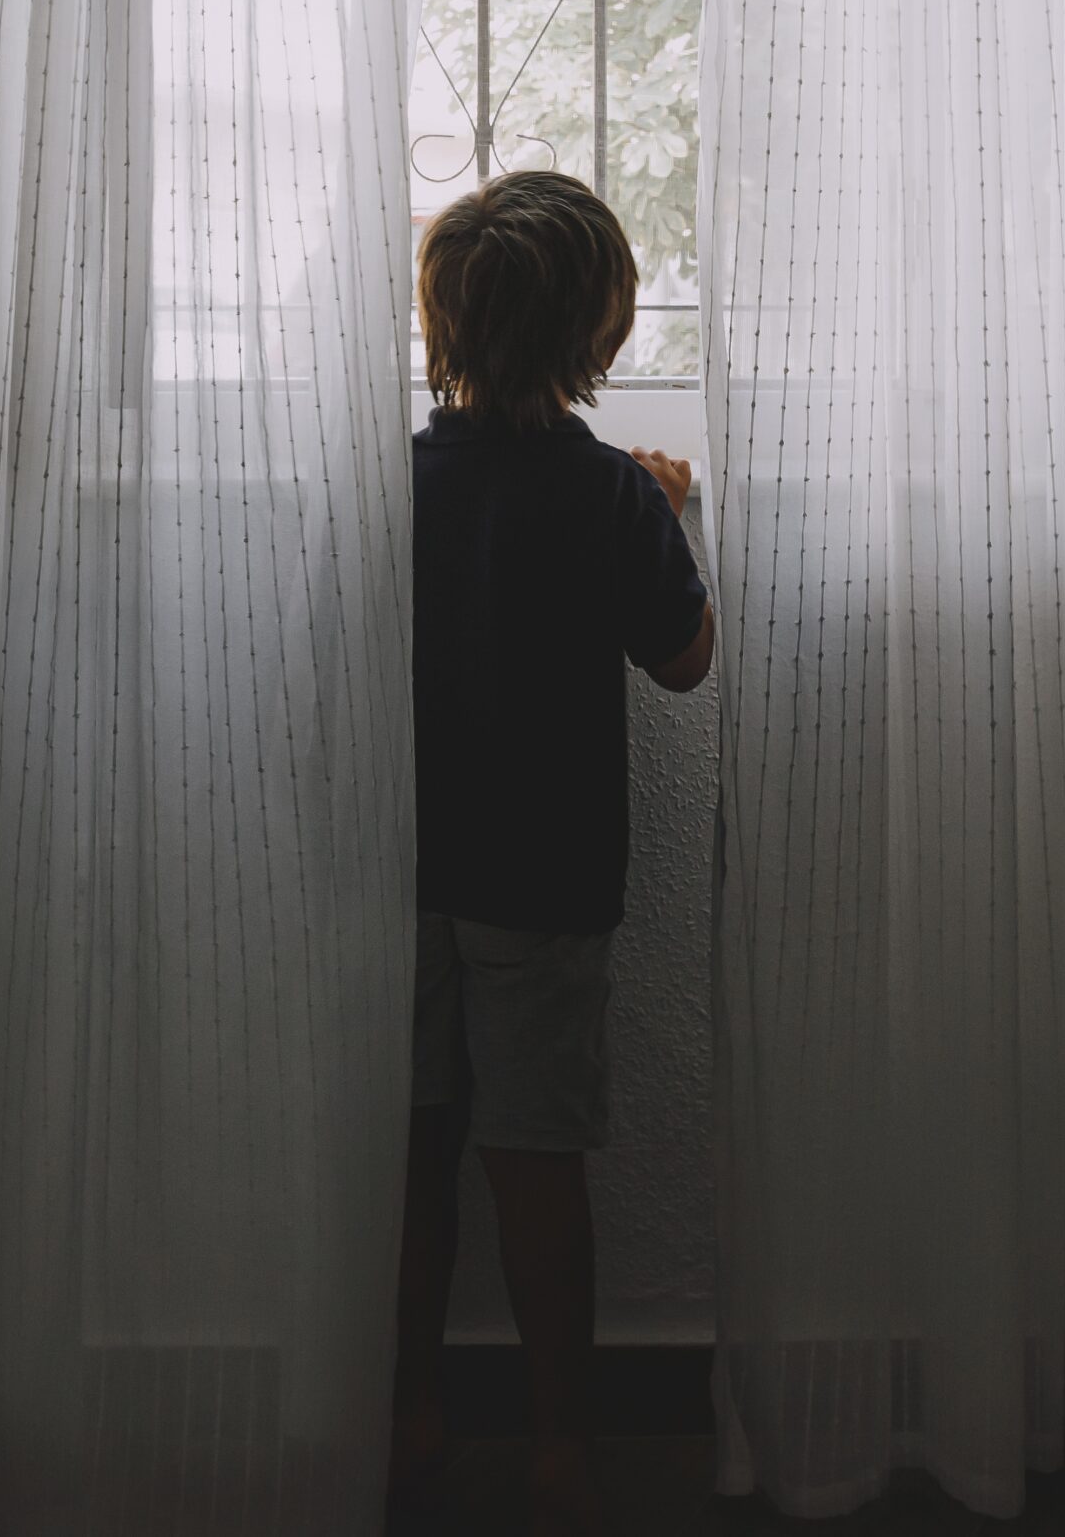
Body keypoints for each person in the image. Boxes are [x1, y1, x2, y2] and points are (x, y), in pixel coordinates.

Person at [392, 171, 714, 1536]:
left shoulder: (389, 488)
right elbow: (686, 662)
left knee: (410, 1160)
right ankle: (562, 1450)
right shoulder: (606, 499)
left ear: (444, 325)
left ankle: (407, 1422)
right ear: (601, 332)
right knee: (536, 1169)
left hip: (400, 874)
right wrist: (664, 508)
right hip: (546, 880)